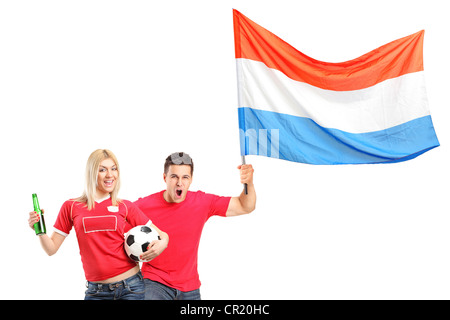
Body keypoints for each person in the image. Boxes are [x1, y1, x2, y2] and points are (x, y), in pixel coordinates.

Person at [27, 149, 169, 300]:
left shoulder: (125, 206)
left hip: (131, 287)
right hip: (96, 292)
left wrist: (163, 243)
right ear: (91, 173)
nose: (110, 174)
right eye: (102, 169)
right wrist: (40, 231)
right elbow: (51, 249)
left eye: (113, 169)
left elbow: (162, 235)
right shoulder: (71, 206)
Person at [134, 152, 256, 300]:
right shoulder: (144, 205)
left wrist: (248, 183)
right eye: (174, 177)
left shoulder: (202, 202)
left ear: (191, 179)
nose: (179, 182)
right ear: (165, 178)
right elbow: (118, 218)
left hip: (189, 287)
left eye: (185, 177)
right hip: (155, 282)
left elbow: (245, 206)